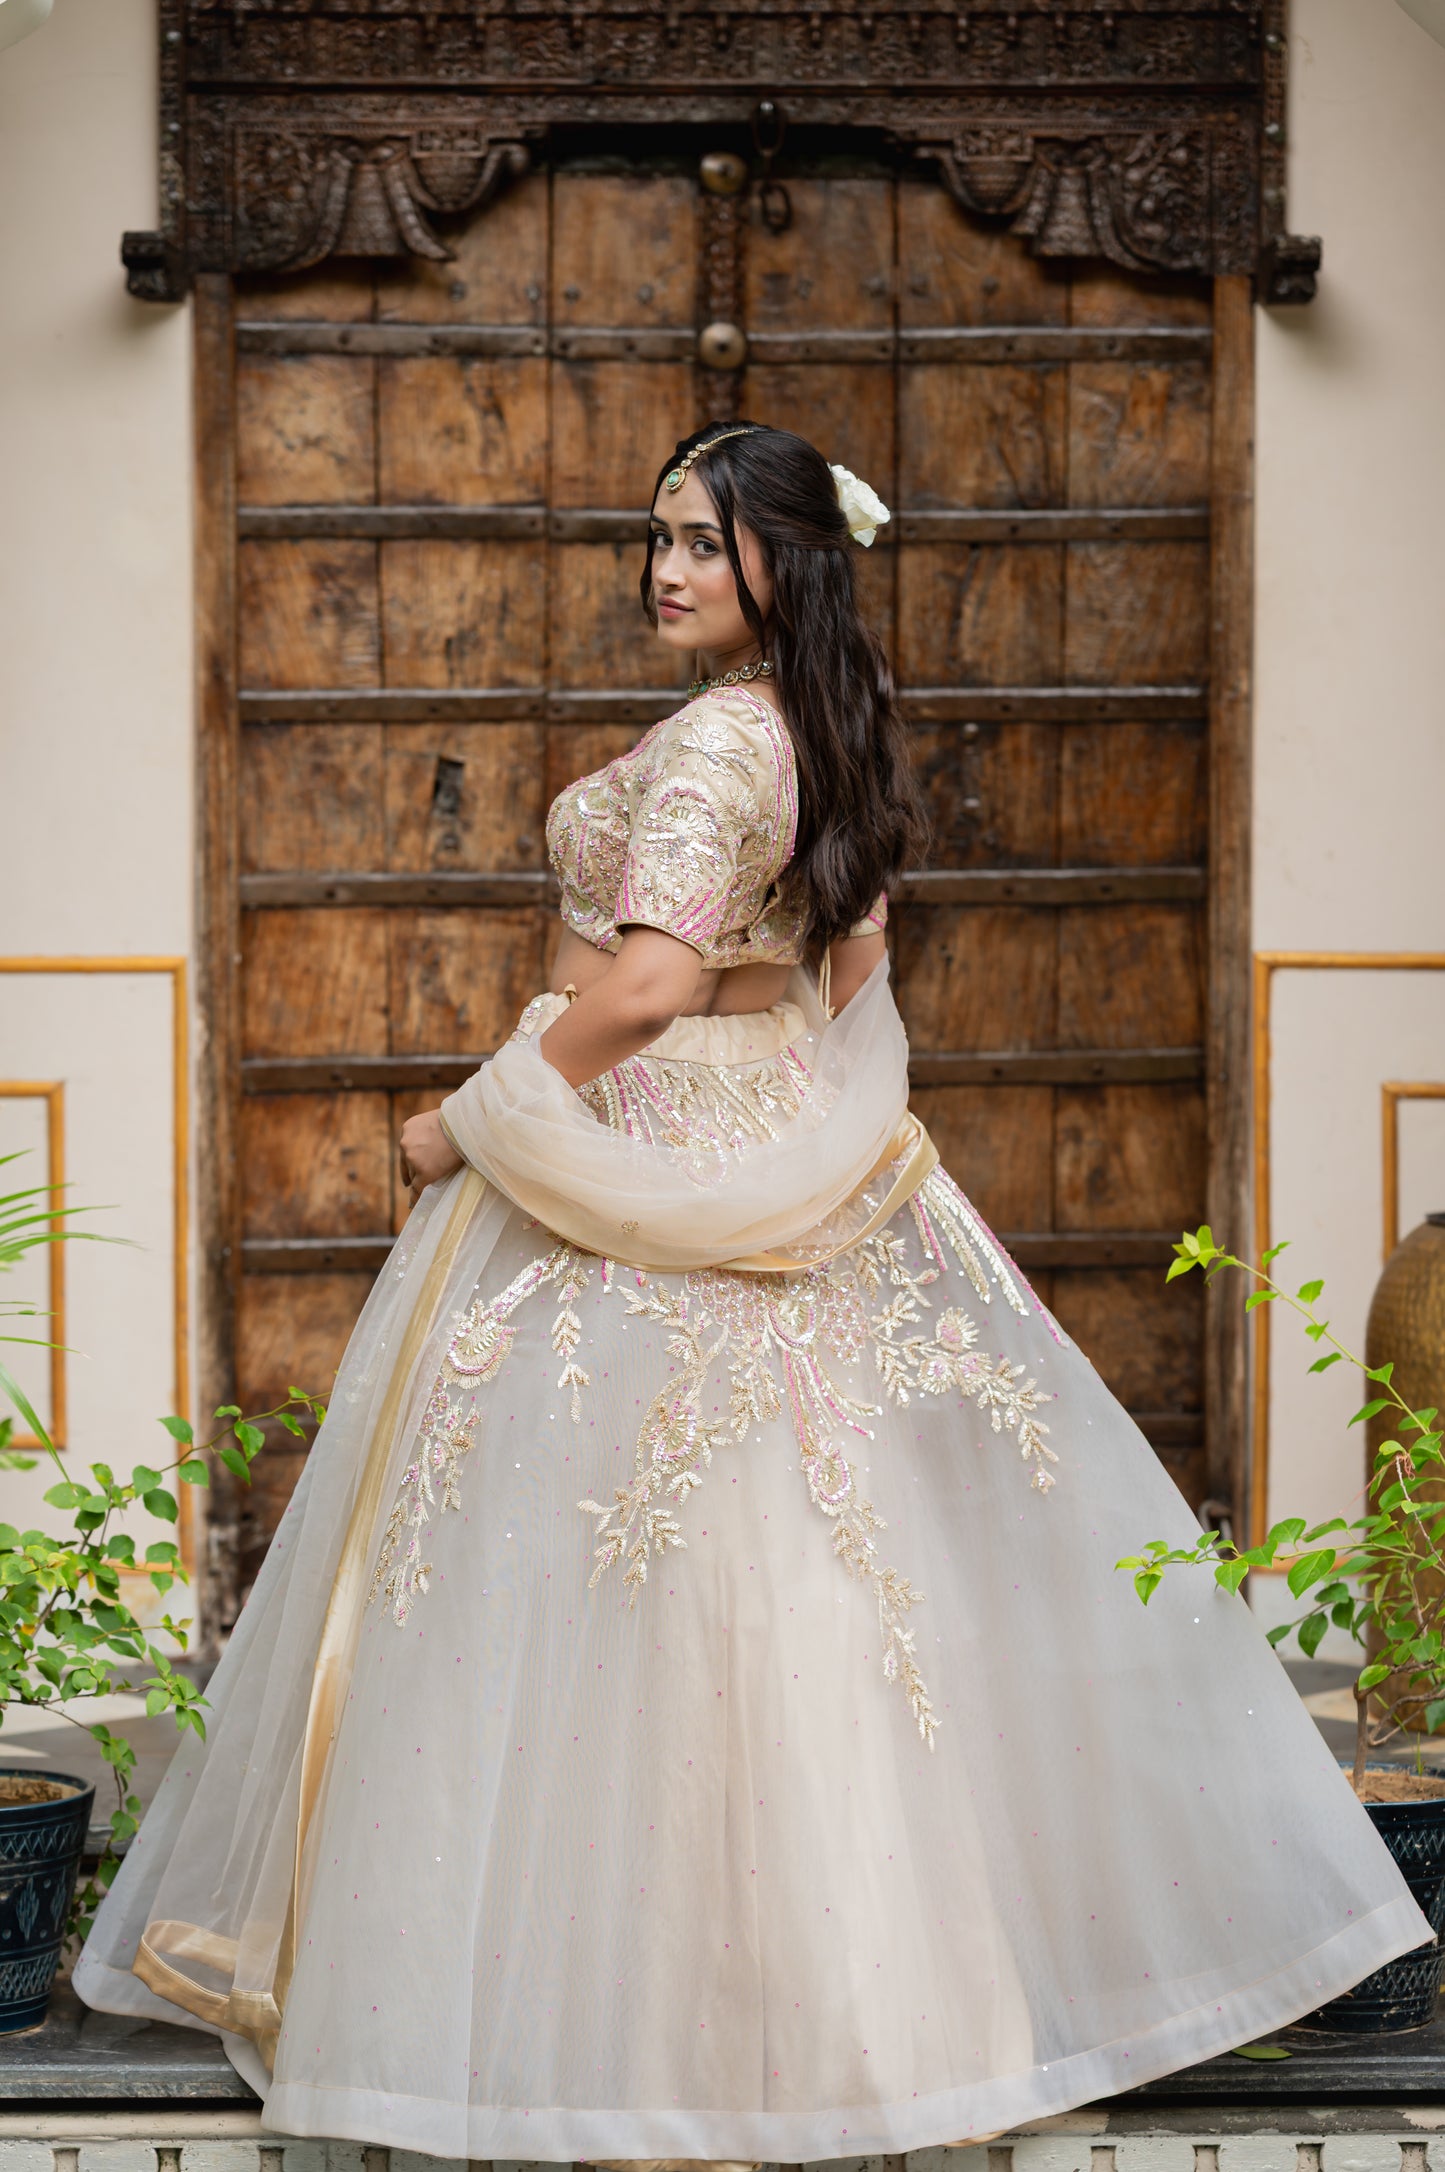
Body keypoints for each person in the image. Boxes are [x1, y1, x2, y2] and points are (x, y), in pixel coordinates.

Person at [74, 423, 1429, 2163]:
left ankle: (623, 2030)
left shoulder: (722, 736)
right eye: (656, 540)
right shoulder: (820, 726)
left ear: (786, 558)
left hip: (641, 1145)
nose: (667, 571)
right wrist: (789, 1113)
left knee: (622, 1575)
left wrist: (461, 1123)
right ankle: (848, 2022)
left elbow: (641, 990)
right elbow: (850, 961)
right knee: (796, 1566)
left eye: (703, 544)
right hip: (772, 1126)